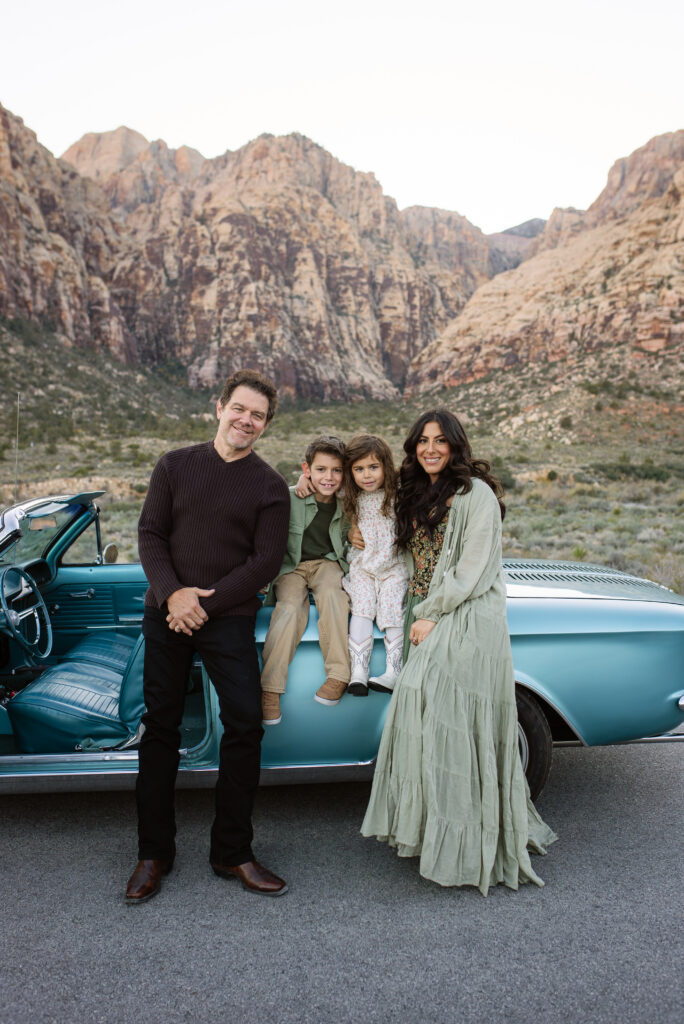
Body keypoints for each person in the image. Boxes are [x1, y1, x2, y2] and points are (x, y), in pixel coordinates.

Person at [361, 410, 557, 894]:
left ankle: (468, 844)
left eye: (440, 440)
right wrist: (306, 488)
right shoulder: (412, 492)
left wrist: (432, 612)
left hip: (465, 612)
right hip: (421, 611)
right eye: (422, 441)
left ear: (455, 445)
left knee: (442, 711)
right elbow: (358, 497)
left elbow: (471, 568)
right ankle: (432, 831)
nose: (430, 449)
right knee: (424, 718)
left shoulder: (476, 494)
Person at [125, 369, 291, 903]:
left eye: (258, 415)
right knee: (160, 728)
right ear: (219, 408)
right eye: (239, 408)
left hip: (226, 618)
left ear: (265, 425)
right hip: (166, 612)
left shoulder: (269, 486)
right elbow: (150, 534)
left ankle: (232, 852)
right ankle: (154, 853)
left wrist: (201, 604)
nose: (246, 420)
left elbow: (264, 562)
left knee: (244, 722)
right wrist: (174, 595)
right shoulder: (174, 465)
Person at [260, 435, 350, 725]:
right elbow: (265, 533)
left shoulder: (349, 503)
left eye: (337, 470)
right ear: (307, 469)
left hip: (327, 562)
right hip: (292, 566)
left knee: (335, 596)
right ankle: (270, 689)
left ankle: (339, 675)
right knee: (288, 608)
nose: (329, 477)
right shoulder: (290, 497)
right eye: (321, 469)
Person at [340, 434, 409, 696]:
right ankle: (359, 671)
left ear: (385, 467)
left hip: (393, 565)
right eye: (359, 469)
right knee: (362, 608)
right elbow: (322, 482)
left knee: (393, 609)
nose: (366, 475)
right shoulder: (350, 495)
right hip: (363, 566)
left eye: (373, 467)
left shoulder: (397, 494)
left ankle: (394, 671)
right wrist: (303, 480)